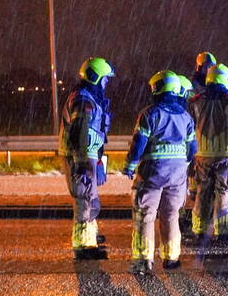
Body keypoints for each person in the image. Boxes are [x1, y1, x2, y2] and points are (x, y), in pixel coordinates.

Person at [124, 70, 196, 273]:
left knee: (145, 214)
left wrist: (130, 165)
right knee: (171, 214)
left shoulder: (150, 113)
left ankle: (143, 260)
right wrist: (183, 163)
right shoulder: (185, 116)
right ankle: (171, 258)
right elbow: (192, 148)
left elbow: (139, 142)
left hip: (153, 172)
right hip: (178, 172)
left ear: (159, 88)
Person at [58, 57, 116, 260]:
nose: (106, 83)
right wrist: (83, 161)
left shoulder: (89, 98)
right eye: (104, 79)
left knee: (90, 199)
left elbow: (94, 133)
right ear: (95, 77)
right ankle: (83, 245)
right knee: (84, 199)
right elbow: (80, 132)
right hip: (80, 157)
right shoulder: (84, 100)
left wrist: (98, 161)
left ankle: (89, 238)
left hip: (87, 156)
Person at [188, 63, 228, 243]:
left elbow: (190, 127)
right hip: (223, 154)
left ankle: (199, 230)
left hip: (201, 154)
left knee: (203, 191)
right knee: (223, 192)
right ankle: (222, 231)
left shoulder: (195, 100)